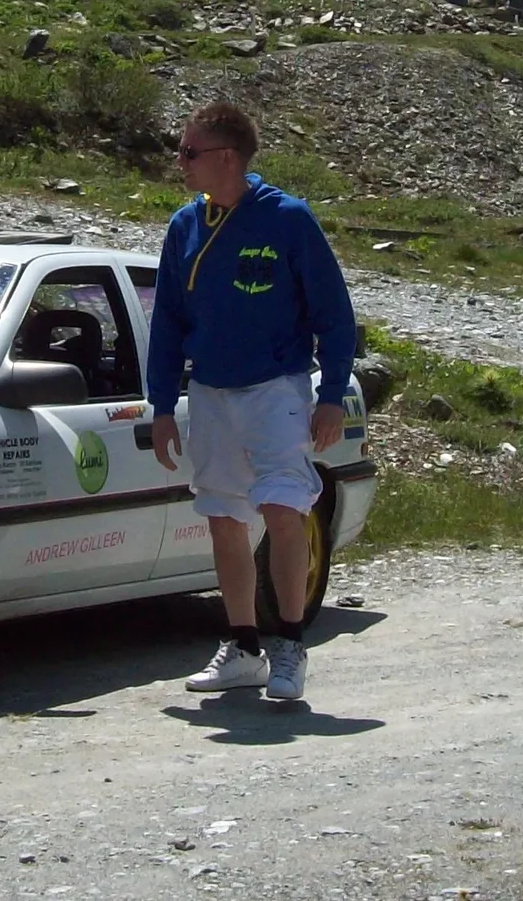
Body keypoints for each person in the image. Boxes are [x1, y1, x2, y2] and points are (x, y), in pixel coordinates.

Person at [147, 100, 356, 703]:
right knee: (222, 515)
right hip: (209, 391)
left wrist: (333, 395)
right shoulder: (184, 225)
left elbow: (334, 317)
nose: (179, 162)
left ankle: (289, 644)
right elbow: (168, 324)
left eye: (190, 152)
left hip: (276, 389)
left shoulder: (287, 219)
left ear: (228, 158)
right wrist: (162, 405)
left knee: (284, 510)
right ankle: (242, 647)